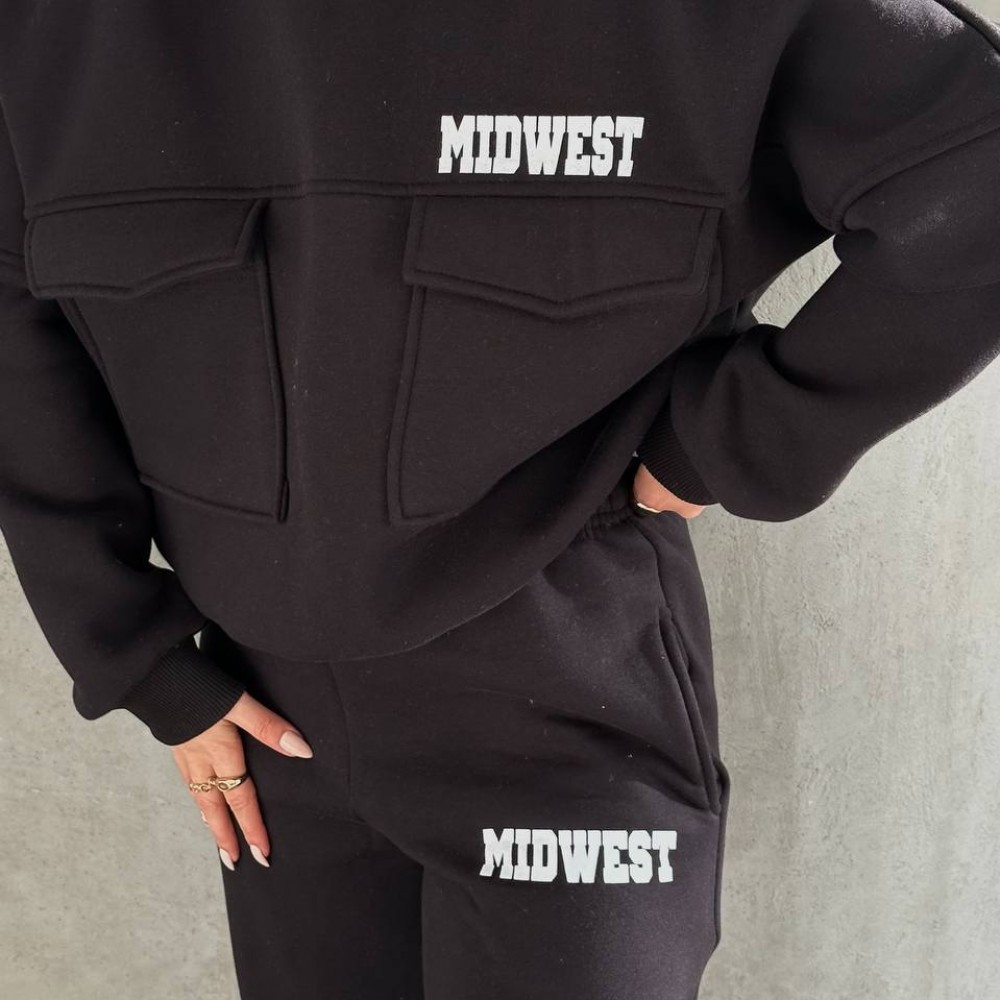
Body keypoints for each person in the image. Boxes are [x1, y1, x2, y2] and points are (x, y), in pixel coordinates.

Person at [1, 1, 999, 997]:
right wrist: (140, 660)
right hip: (273, 732)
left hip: (560, 687)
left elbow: (977, 175)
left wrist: (731, 442)